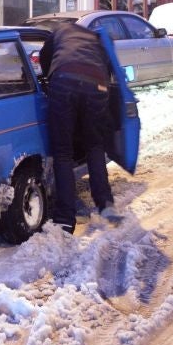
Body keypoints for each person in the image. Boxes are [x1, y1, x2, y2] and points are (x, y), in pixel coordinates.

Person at [38, 21, 117, 235]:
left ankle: (65, 219)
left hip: (64, 82)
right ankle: (105, 205)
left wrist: (48, 78)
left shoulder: (59, 32)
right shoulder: (95, 39)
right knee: (94, 145)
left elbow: (45, 61)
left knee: (63, 153)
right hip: (97, 85)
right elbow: (109, 69)